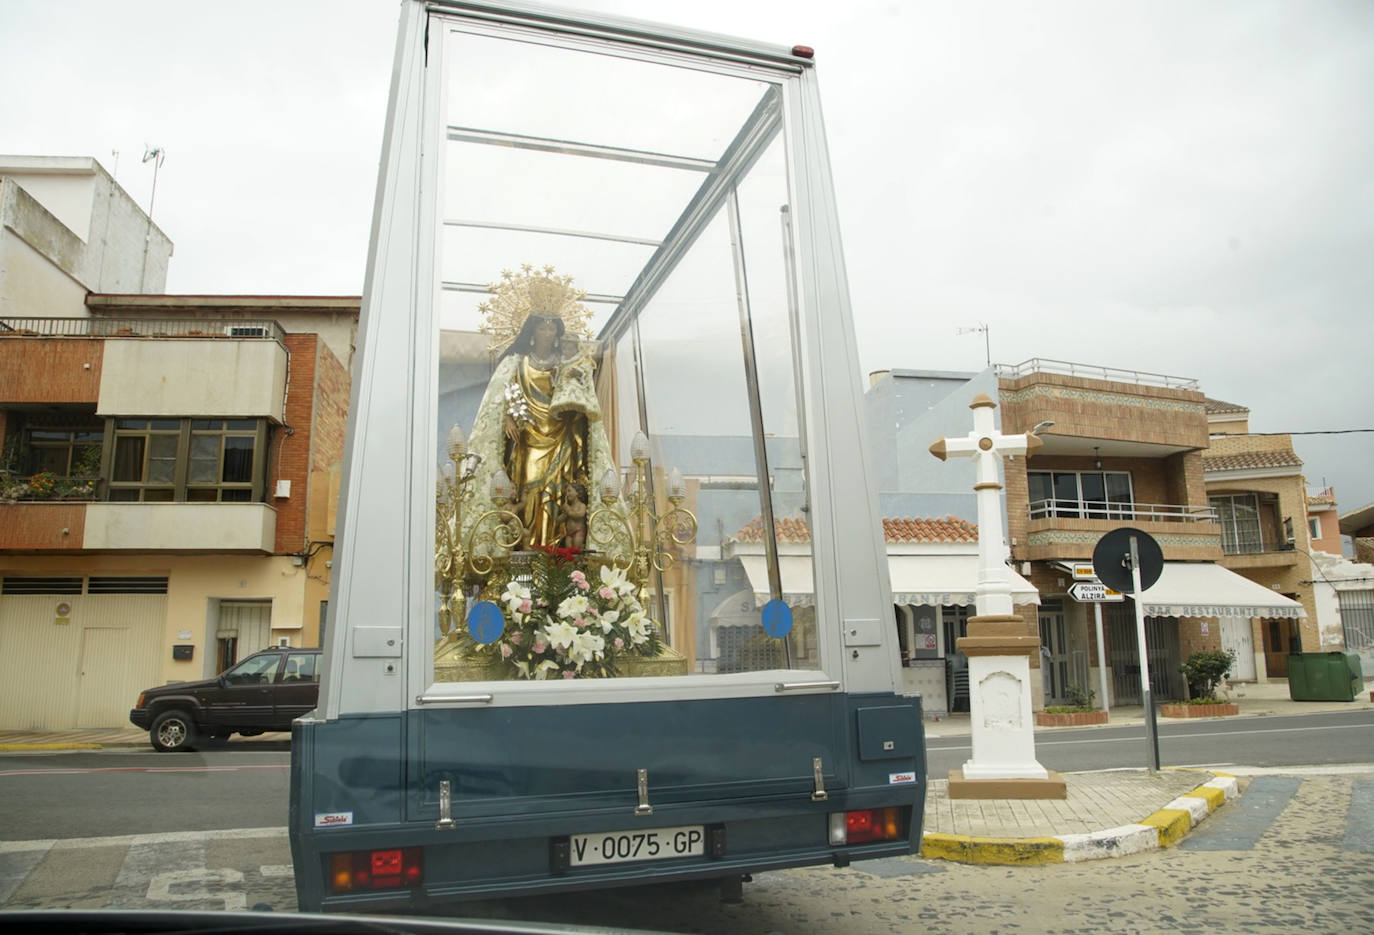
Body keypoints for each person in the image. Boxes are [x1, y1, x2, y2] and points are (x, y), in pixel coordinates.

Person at [459, 269, 625, 555]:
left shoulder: (568, 363)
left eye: (552, 327)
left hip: (562, 435)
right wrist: (508, 417)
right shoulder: (516, 363)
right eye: (542, 326)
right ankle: (526, 549)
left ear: (559, 332)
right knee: (528, 490)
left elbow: (583, 400)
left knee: (560, 493)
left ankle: (557, 552)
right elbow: (500, 400)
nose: (547, 332)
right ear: (532, 331)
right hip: (526, 438)